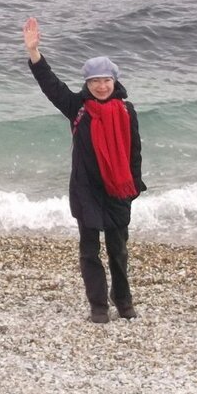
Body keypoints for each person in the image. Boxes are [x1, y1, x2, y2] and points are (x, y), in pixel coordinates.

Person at [22, 16, 147, 324]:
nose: (101, 86)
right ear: (87, 85)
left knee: (118, 250)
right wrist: (34, 53)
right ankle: (98, 306)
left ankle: (123, 301)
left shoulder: (127, 111)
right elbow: (51, 86)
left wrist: (133, 187)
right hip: (86, 191)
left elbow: (134, 152)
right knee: (89, 251)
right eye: (94, 82)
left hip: (118, 190)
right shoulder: (77, 107)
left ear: (114, 81)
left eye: (105, 81)